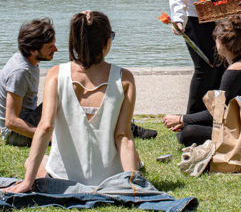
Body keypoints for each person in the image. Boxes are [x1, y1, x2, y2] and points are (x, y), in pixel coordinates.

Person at [5, 11, 139, 192]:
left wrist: (27, 182)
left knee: (32, 161)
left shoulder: (55, 74)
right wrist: (133, 184)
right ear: (107, 42)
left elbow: (45, 127)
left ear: (74, 42)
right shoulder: (125, 78)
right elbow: (123, 135)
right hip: (110, 177)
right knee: (136, 159)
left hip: (62, 177)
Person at [163, 16, 241, 163]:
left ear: (221, 42)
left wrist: (181, 119)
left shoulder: (233, 72)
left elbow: (217, 114)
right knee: (190, 127)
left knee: (188, 133)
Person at [0, 18, 57, 147]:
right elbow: (11, 122)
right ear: (33, 50)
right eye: (50, 47)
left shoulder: (28, 60)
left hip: (27, 121)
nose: (56, 49)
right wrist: (47, 137)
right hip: (15, 135)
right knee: (60, 96)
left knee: (63, 90)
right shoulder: (20, 72)